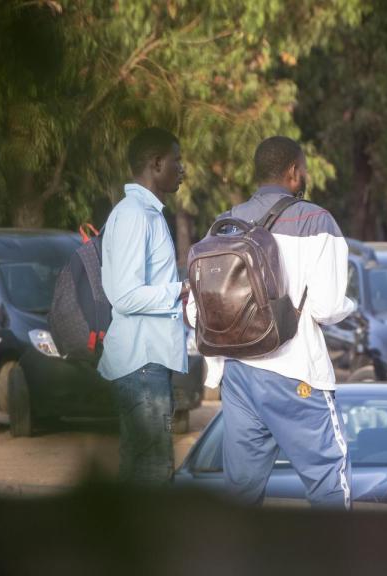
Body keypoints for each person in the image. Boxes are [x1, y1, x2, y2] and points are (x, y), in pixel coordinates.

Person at [195, 136, 356, 508]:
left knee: (241, 493)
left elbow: (198, 307)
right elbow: (327, 306)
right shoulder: (317, 221)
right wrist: (350, 304)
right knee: (329, 481)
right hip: (295, 372)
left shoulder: (224, 224)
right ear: (294, 172)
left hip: (237, 376)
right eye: (305, 169)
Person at [99, 127, 189, 484]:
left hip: (147, 361)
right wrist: (179, 291)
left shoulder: (148, 213)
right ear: (156, 163)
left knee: (141, 469)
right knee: (153, 470)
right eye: (177, 161)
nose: (182, 169)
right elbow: (124, 295)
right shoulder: (136, 214)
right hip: (142, 363)